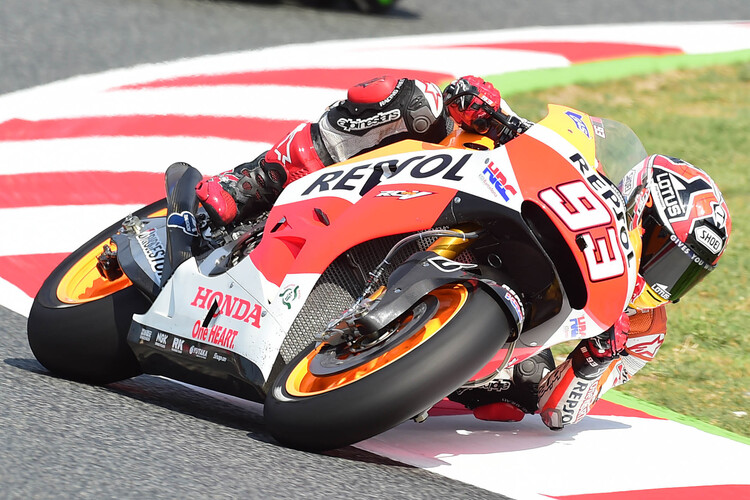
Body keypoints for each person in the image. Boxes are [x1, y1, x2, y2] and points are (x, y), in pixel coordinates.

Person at [195, 75, 732, 430]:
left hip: (525, 325)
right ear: (641, 200)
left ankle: (395, 368)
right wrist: (489, 111)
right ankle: (254, 181)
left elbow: (557, 412)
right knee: (407, 100)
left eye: (684, 271)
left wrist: (592, 362)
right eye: (665, 249)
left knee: (511, 401)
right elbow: (544, 142)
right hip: (465, 192)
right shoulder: (592, 162)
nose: (664, 276)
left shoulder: (644, 330)